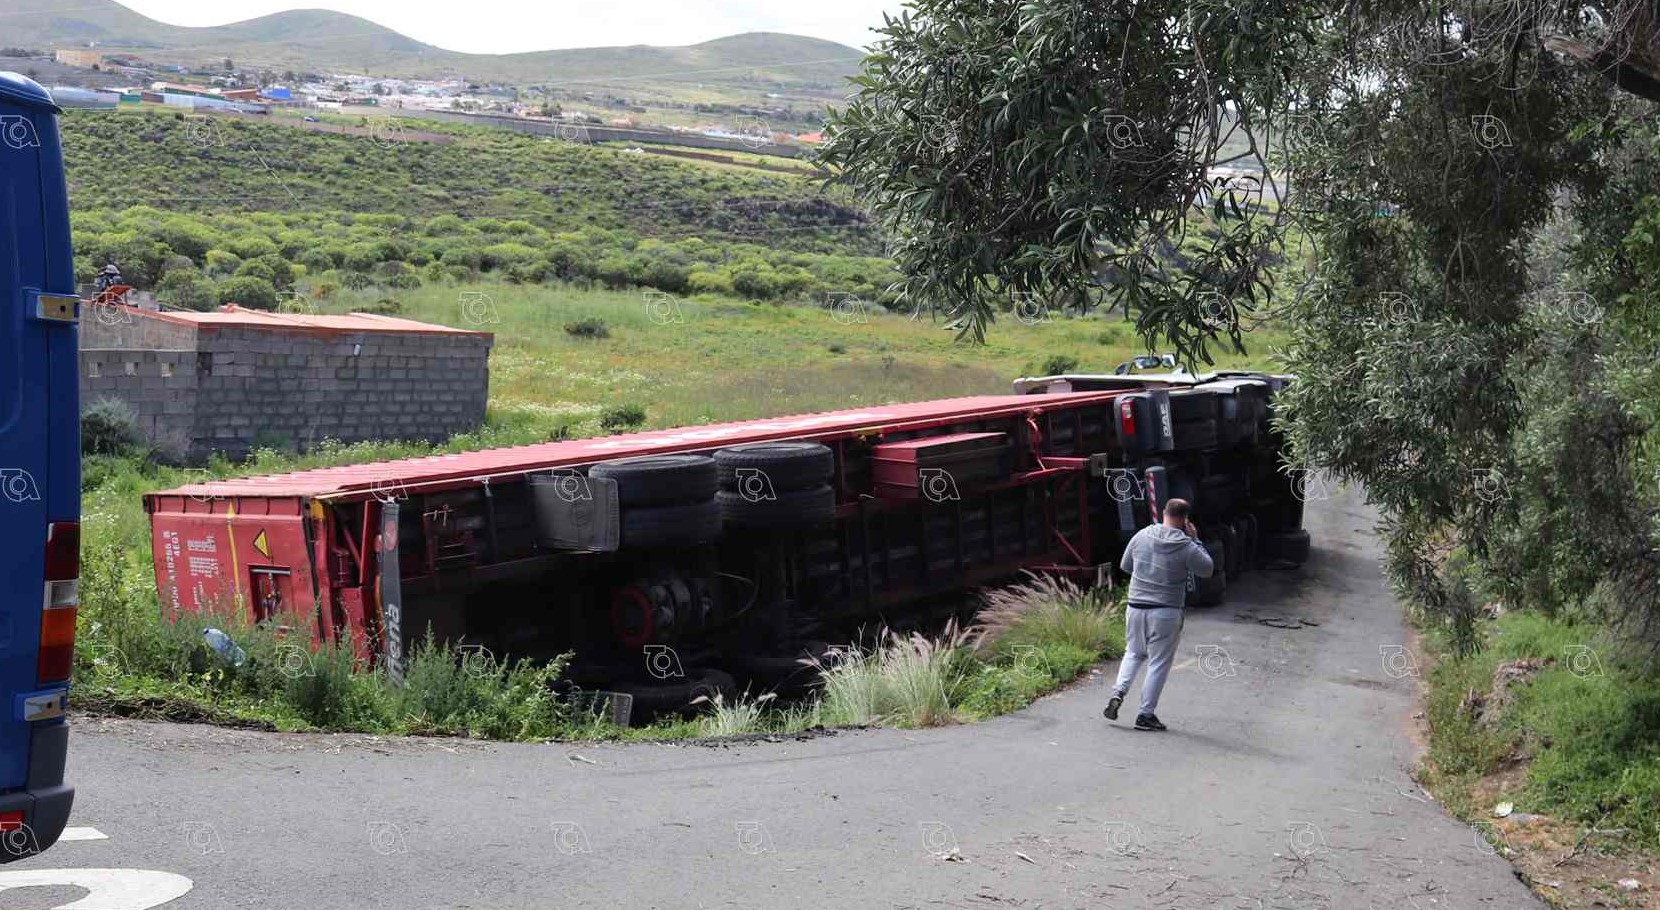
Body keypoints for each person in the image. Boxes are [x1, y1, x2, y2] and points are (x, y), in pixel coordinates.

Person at [1104, 497, 1214, 731]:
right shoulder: (1186, 545)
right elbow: (1207, 569)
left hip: (1136, 607)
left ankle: (1118, 693)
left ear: (1164, 512)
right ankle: (1145, 715)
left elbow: (1125, 565)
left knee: (1133, 652)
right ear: (1185, 520)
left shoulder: (1142, 535)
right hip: (1166, 611)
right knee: (1158, 663)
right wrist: (1195, 539)